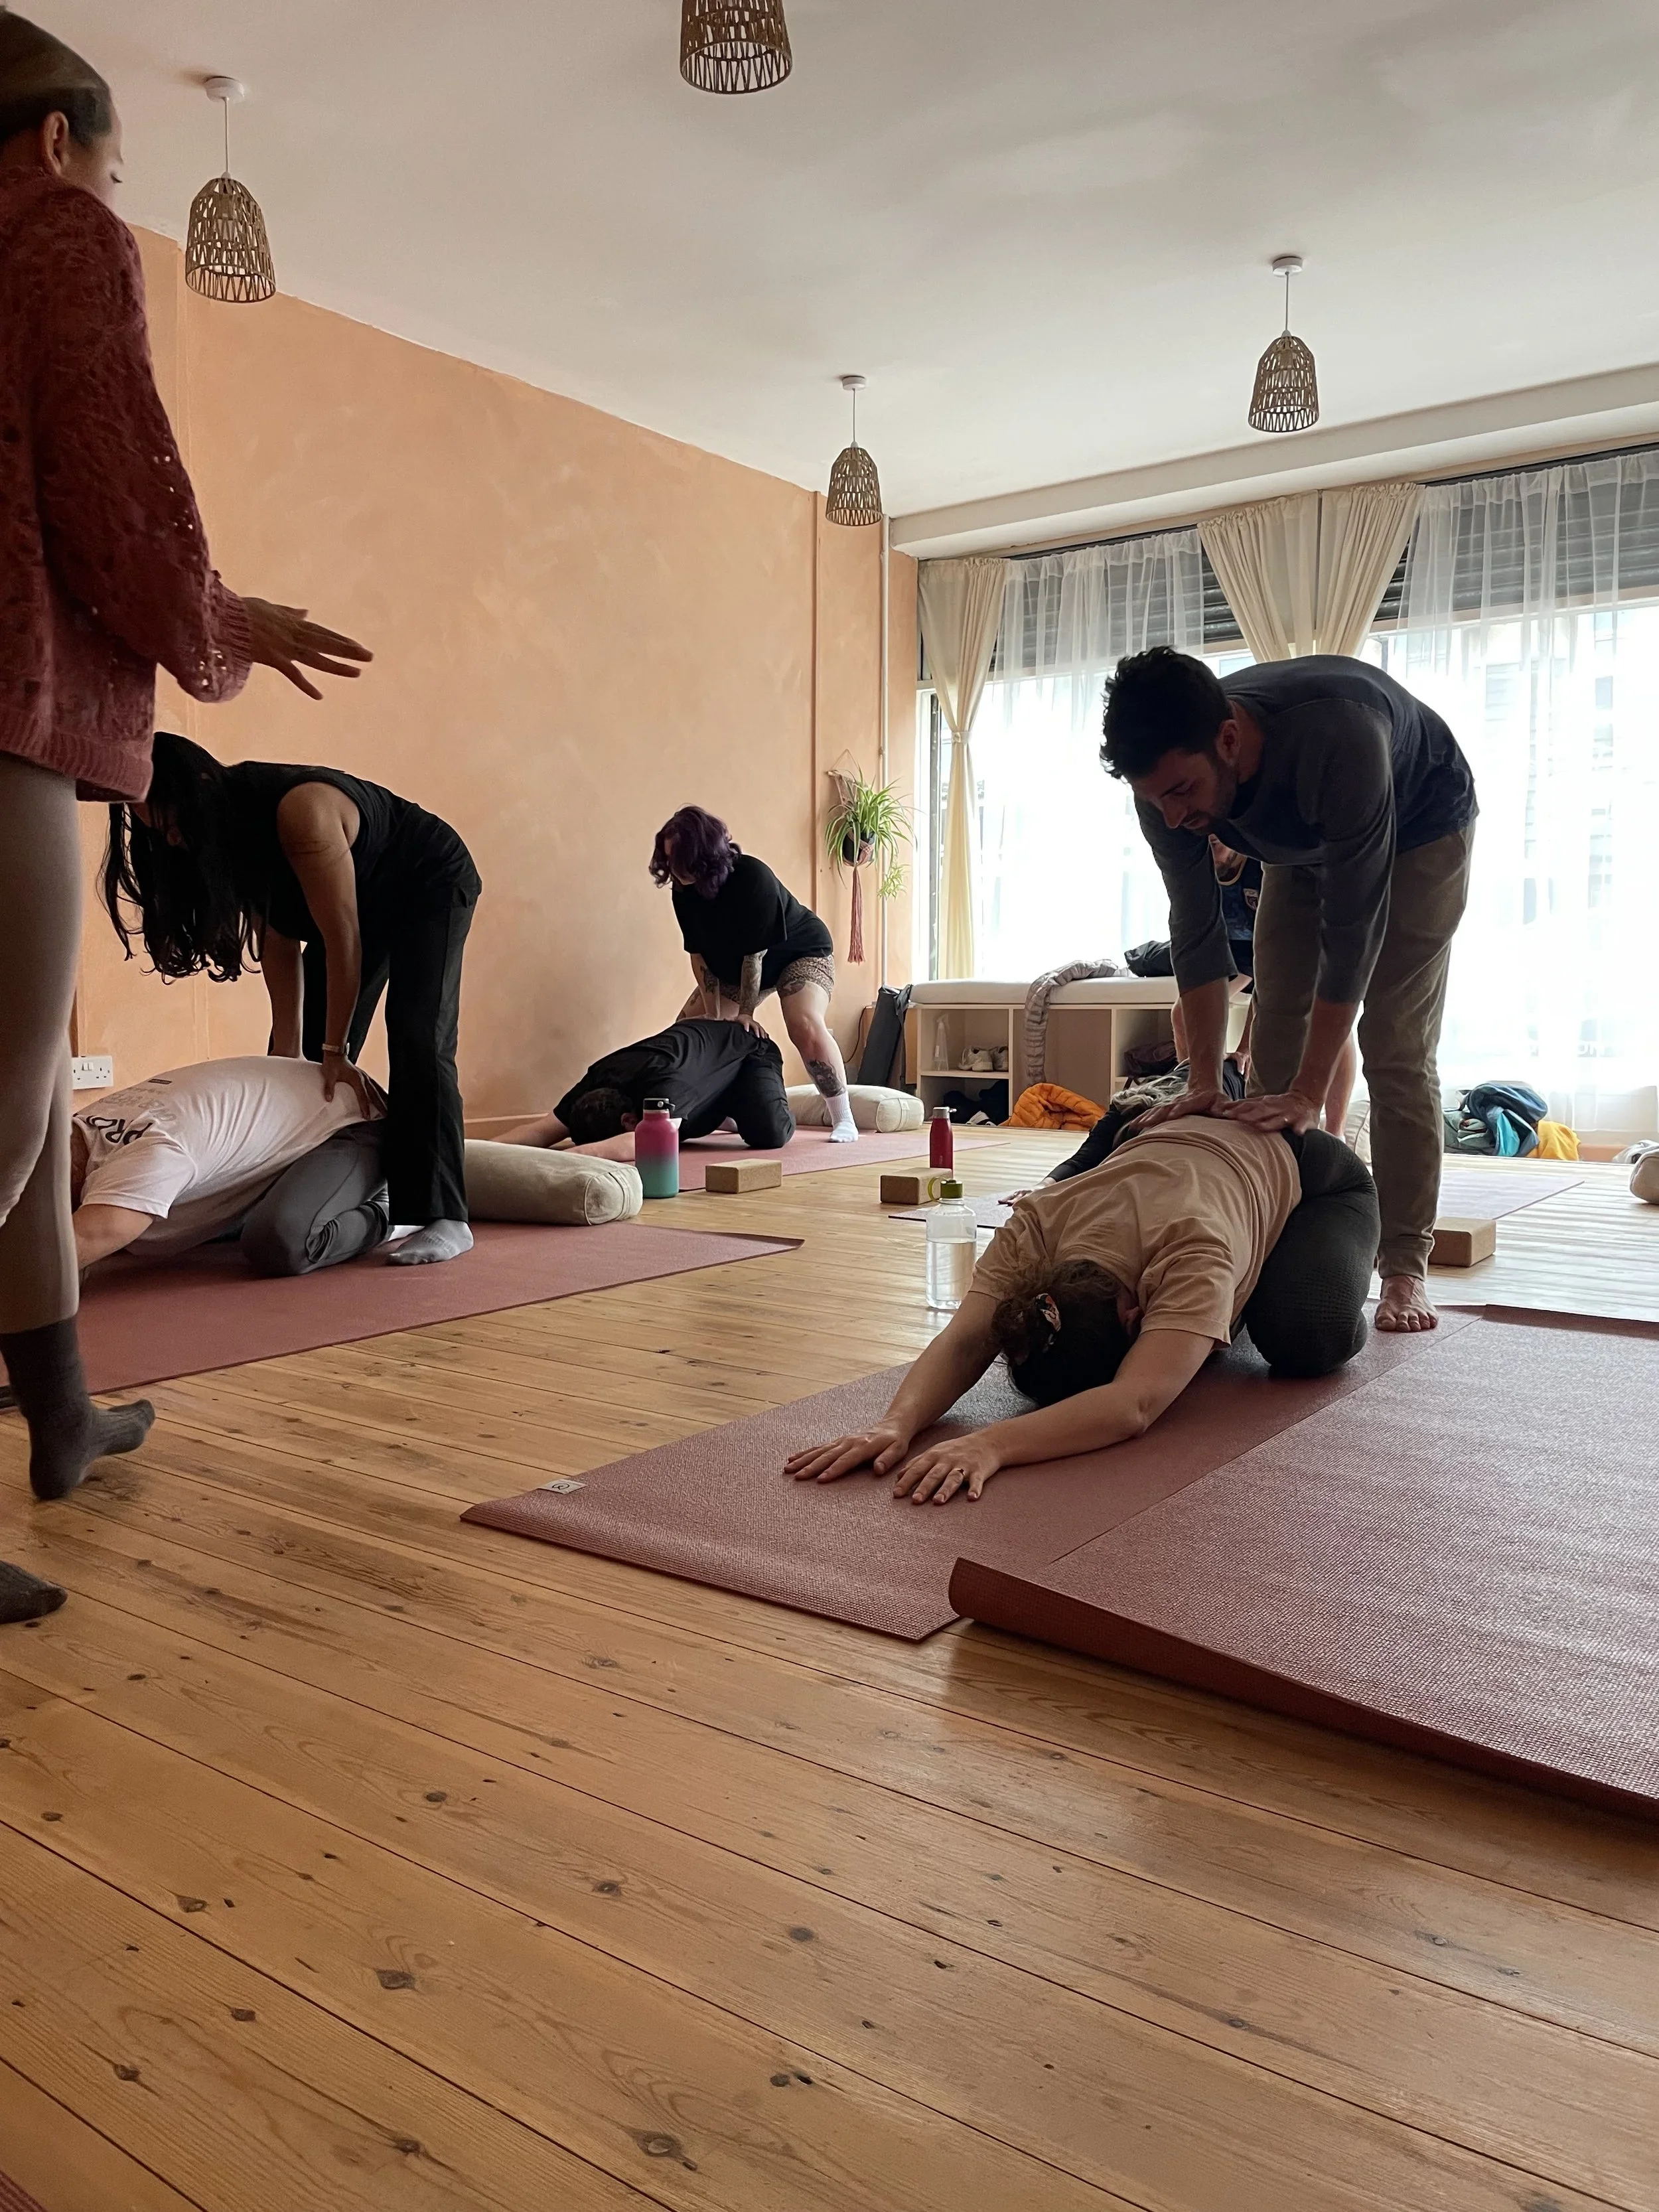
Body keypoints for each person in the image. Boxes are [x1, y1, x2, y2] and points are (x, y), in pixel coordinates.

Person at [0, 13, 368, 1609]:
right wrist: (227, 622)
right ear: (53, 140)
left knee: (30, 1132)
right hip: (4, 715)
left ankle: (64, 1411)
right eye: (116, 165)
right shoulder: (54, 230)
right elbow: (114, 499)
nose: (113, 195)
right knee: (3, 1116)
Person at [1101, 648, 1475, 1337]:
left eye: (1182, 792)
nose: (1172, 815)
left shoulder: (1340, 735)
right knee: (1273, 1032)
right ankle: (1267, 1236)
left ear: (1229, 739)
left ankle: (1403, 1263)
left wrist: (1311, 1093)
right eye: (1155, 800)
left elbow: (1352, 935)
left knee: (1394, 1043)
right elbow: (1195, 929)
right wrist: (1204, 1080)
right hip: (1298, 843)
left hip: (1420, 824)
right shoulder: (1165, 786)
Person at [788, 1112, 1378, 1504]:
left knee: (1304, 1336)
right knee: (1197, 1345)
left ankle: (1318, 1258)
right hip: (1178, 1146)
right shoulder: (1035, 1224)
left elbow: (1133, 1404)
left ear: (1133, 1318)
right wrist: (896, 1423)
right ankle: (1230, 1299)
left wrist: (991, 1443)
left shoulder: (1195, 1251)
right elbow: (966, 1339)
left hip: (1312, 1172)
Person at [104, 733, 478, 1267]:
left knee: (418, 1035)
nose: (173, 840)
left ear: (200, 790)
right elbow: (279, 947)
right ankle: (290, 1191)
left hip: (427, 880)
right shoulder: (225, 839)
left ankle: (444, 1215)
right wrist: (287, 1052)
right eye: (157, 833)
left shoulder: (303, 814)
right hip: (356, 905)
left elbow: (344, 941)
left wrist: (336, 1050)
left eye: (173, 825)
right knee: (302, 1064)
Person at [72, 1057, 390, 1278]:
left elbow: (86, 1240)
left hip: (354, 1122)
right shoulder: (76, 1127)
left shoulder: (155, 1152)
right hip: (284, 1128)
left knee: (280, 1242)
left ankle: (394, 1210)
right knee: (155, 1229)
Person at [651, 806, 857, 1140]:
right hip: (736, 967)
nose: (675, 869)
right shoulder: (683, 891)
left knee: (803, 1022)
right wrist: (714, 1014)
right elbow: (698, 956)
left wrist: (746, 1013)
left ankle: (843, 1117)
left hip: (798, 953)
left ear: (704, 854)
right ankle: (719, 1110)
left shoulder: (751, 877)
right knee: (691, 1031)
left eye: (681, 860)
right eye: (670, 860)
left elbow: (755, 956)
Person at [501, 1019, 794, 1158]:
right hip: (702, 1071)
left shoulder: (667, 1082)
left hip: (751, 1054)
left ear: (629, 1120)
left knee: (769, 1133)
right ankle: (719, 1108)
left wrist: (567, 1159)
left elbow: (645, 1143)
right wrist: (479, 1150)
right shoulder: (596, 1083)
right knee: (672, 1129)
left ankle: (751, 1103)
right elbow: (540, 1132)